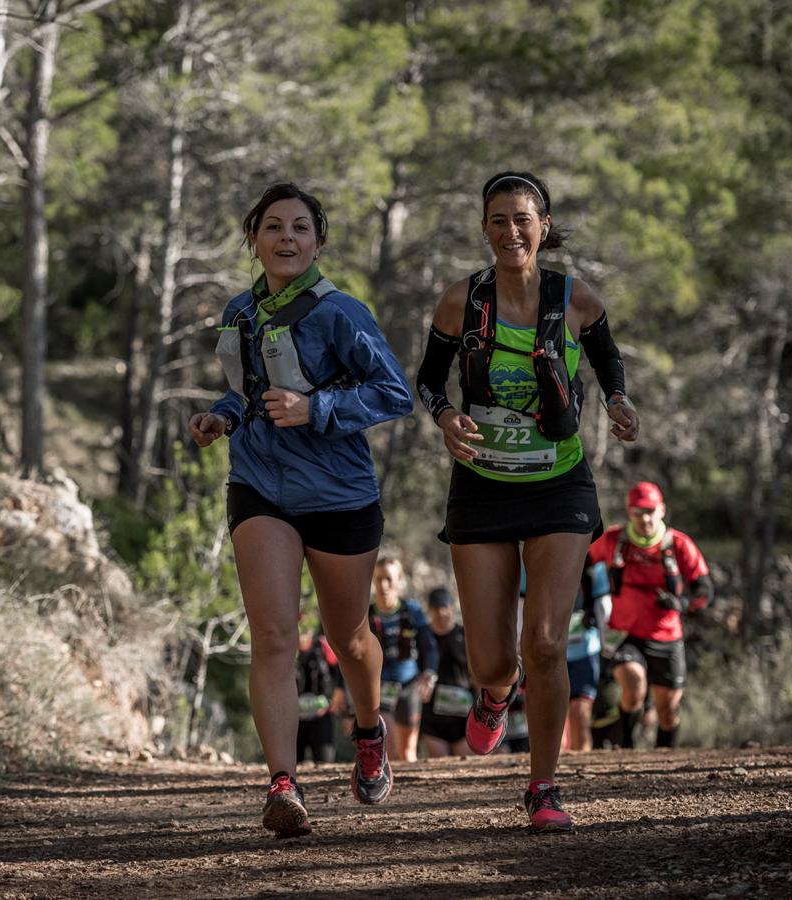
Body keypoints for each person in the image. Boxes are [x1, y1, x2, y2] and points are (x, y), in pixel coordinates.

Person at [414, 170, 639, 832]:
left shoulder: (575, 299)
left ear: (543, 225)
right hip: (482, 484)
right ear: (484, 230)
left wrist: (619, 403)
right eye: (498, 220)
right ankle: (494, 695)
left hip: (559, 485)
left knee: (545, 642)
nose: (511, 231)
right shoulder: (462, 301)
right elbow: (429, 380)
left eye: (523, 219)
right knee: (494, 658)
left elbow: (609, 367)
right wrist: (444, 416)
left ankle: (543, 786)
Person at [189, 182, 413, 838]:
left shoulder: (342, 313)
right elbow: (247, 391)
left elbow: (394, 393)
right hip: (260, 486)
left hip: (341, 493)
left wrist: (316, 410)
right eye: (273, 227)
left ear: (318, 241)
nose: (287, 238)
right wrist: (220, 416)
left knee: (349, 639)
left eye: (300, 228)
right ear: (253, 238)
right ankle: (283, 781)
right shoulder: (239, 310)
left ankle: (368, 731)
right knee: (276, 635)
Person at [588, 481, 712, 749]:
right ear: (628, 512)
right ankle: (627, 748)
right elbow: (581, 562)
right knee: (633, 686)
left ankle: (663, 757)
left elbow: (704, 589)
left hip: (667, 637)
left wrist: (682, 603)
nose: (644, 518)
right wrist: (585, 605)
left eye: (650, 511)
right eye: (637, 511)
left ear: (662, 510)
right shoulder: (613, 541)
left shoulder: (678, 545)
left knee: (667, 711)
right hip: (625, 634)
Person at [369, 558, 438, 762]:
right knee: (388, 746)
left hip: (409, 685)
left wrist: (430, 673)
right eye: (379, 579)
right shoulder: (368, 614)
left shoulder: (412, 610)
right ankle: (387, 788)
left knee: (407, 752)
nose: (383, 585)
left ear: (399, 581)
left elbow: (429, 645)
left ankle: (410, 792)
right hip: (380, 687)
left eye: (389, 579)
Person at [564, 562, 611, 752]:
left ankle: (580, 772)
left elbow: (604, 606)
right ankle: (551, 773)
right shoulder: (535, 555)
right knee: (552, 718)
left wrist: (605, 640)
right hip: (547, 654)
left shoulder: (593, 564)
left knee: (580, 713)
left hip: (584, 650)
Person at [421, 587, 473, 758]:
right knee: (439, 766)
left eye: (445, 607)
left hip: (463, 716)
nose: (441, 613)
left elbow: (476, 674)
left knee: (464, 766)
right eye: (436, 608)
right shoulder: (422, 636)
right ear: (429, 610)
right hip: (432, 718)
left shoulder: (465, 635)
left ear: (452, 608)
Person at [295, 626, 338, 764]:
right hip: (294, 718)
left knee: (325, 763)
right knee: (291, 765)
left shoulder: (325, 646)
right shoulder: (285, 649)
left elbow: (340, 674)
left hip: (322, 715)